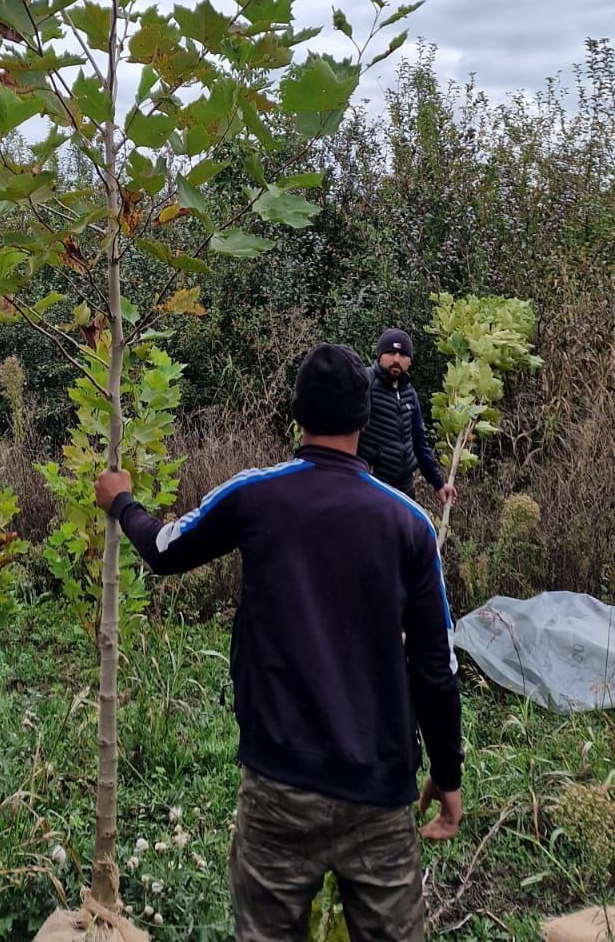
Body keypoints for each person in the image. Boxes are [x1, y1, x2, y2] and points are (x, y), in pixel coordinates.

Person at [94, 342, 463, 942]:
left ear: (296, 414)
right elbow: (435, 667)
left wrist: (121, 501)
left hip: (277, 787)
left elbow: (164, 550)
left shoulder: (257, 495)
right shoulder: (407, 523)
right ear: (366, 417)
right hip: (380, 793)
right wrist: (448, 774)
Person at [359, 328, 457, 506]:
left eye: (402, 354)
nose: (396, 359)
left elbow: (419, 443)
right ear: (380, 355)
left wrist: (439, 484)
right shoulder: (365, 383)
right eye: (391, 352)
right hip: (371, 487)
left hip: (404, 489)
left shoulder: (409, 394)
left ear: (410, 361)